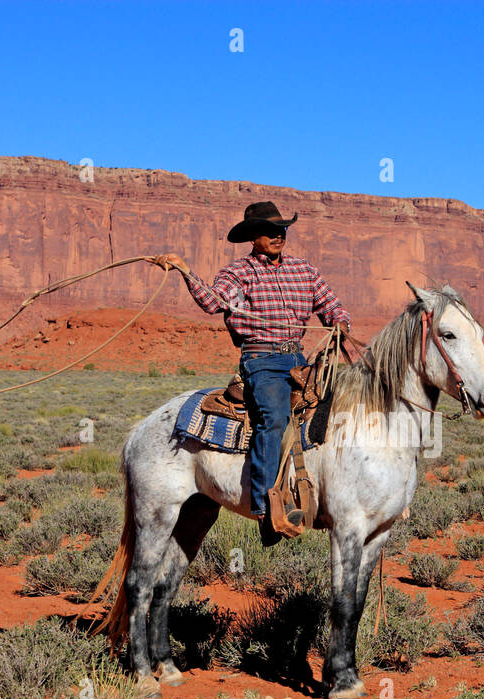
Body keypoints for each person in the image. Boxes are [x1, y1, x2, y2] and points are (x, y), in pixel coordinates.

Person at [149, 201, 353, 545]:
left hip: (301, 359)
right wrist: (184, 269)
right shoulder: (238, 273)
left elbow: (331, 306)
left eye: (281, 229)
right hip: (262, 361)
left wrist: (340, 324)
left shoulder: (305, 270)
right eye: (268, 230)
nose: (277, 235)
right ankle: (265, 506)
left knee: (345, 412)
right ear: (252, 238)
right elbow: (214, 302)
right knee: (273, 418)